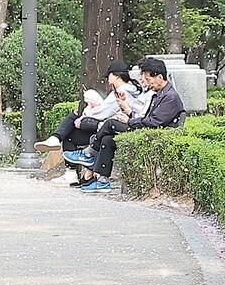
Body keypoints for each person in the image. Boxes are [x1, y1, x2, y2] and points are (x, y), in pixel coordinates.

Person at [64, 57, 186, 193]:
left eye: (148, 79)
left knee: (111, 124)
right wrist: (127, 110)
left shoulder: (169, 97)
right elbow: (148, 119)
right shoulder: (160, 94)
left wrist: (129, 121)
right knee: (108, 140)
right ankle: (102, 181)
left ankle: (89, 153)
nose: (147, 82)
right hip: (149, 130)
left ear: (159, 77)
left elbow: (153, 123)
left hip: (153, 134)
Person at [34, 61, 138, 157]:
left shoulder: (121, 91)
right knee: (71, 133)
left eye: (109, 76)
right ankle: (56, 139)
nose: (108, 81)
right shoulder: (132, 89)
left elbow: (102, 112)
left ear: (116, 76)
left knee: (74, 119)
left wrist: (84, 114)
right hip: (110, 126)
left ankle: (56, 140)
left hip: (107, 128)